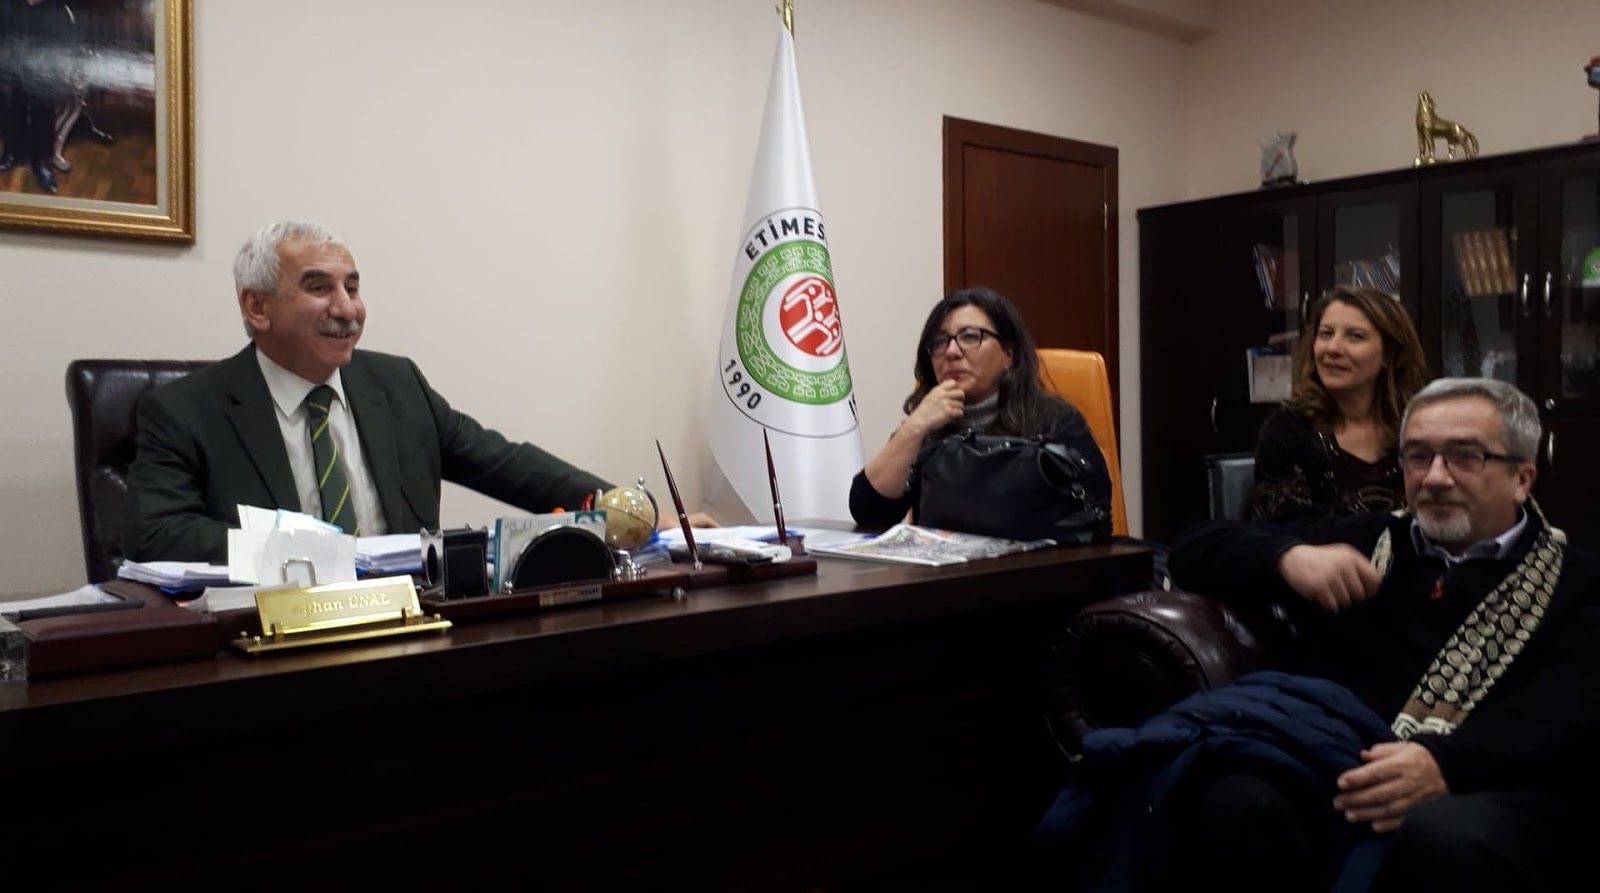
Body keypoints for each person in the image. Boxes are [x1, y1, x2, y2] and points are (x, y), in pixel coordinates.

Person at [1037, 377, 1600, 892]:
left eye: (1465, 456)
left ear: (1522, 477)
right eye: (1418, 456)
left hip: (1490, 781)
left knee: (1437, 838)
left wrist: (1445, 764)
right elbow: (1192, 550)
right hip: (1334, 759)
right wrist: (1288, 557)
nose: (1434, 477)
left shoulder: (1577, 582)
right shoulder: (1368, 541)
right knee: (1231, 797)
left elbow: (1566, 710)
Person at [123, 221, 709, 564]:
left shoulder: (395, 384)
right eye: (319, 288)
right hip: (272, 638)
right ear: (257, 308)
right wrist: (312, 550)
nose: (347, 309)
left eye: (353, 288)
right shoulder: (185, 411)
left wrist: (626, 510)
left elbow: (504, 464)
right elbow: (156, 532)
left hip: (410, 631)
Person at [847, 287, 1109, 536]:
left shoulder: (1054, 420)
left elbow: (1092, 517)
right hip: (944, 567)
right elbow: (869, 512)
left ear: (1009, 354)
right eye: (939, 341)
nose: (951, 351)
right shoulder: (928, 425)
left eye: (970, 337)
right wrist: (915, 427)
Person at [1252, 285, 1430, 522]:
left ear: (1390, 354)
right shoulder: (1288, 428)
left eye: (1355, 336)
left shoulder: (1422, 426)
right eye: (1326, 334)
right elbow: (1282, 529)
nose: (1333, 348)